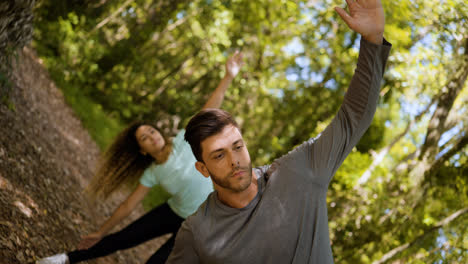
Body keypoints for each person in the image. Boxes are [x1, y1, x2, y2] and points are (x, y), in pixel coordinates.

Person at [166, 0, 392, 263]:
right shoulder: (197, 232)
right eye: (218, 155)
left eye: (237, 146)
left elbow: (352, 118)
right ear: (202, 169)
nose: (234, 160)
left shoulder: (298, 173)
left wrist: (373, 40)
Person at [36, 51, 244, 264]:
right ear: (142, 150)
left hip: (201, 222)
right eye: (144, 138)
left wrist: (228, 76)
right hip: (173, 212)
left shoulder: (184, 140)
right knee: (123, 238)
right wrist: (100, 231)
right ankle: (65, 258)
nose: (151, 137)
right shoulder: (152, 173)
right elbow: (127, 206)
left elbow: (209, 109)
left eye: (152, 131)